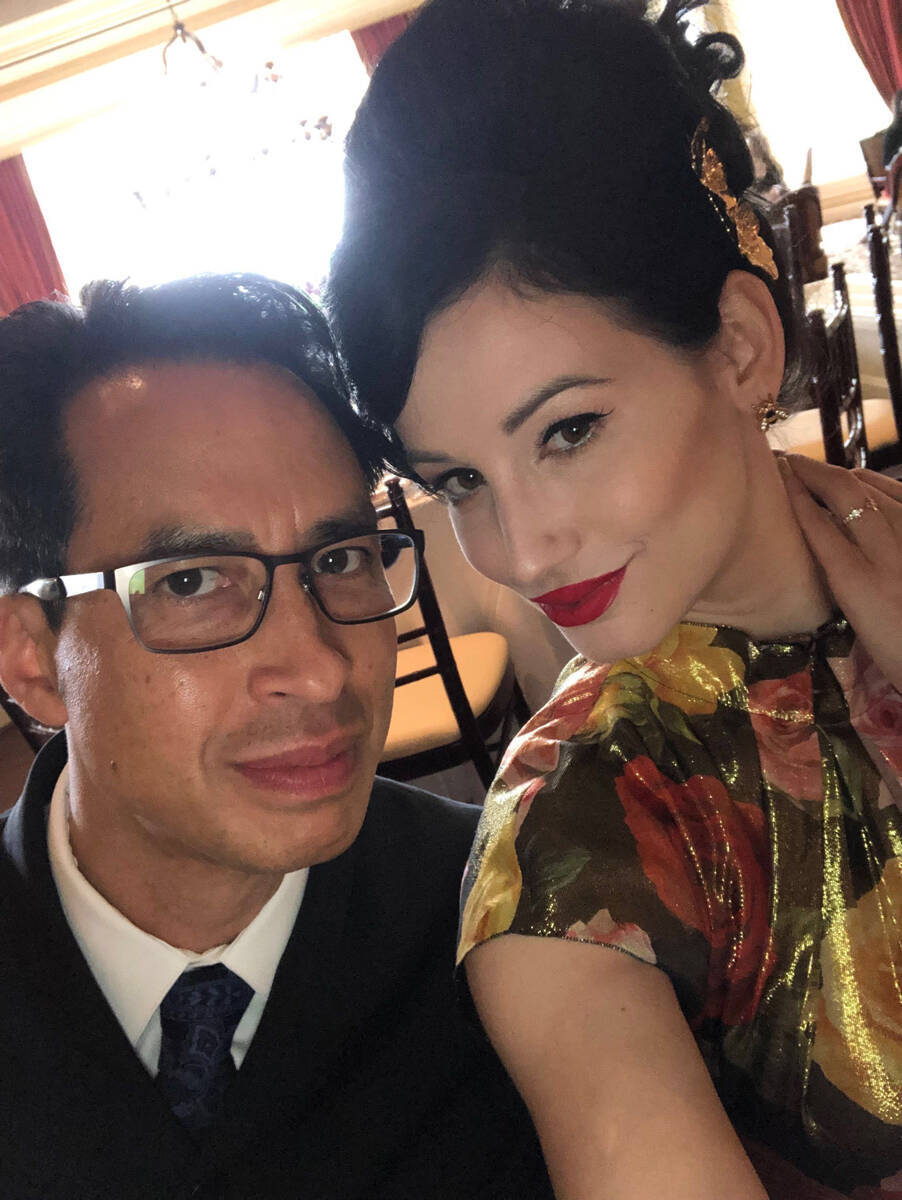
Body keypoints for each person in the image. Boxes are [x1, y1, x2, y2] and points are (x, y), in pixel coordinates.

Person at [327, 1, 902, 1196]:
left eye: (568, 430)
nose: (522, 548)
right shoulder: (574, 849)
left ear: (739, 344)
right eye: (458, 482)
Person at [0, 274, 553, 1200]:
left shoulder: (517, 917)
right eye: (190, 582)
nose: (321, 668)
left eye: (340, 559)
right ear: (34, 661)